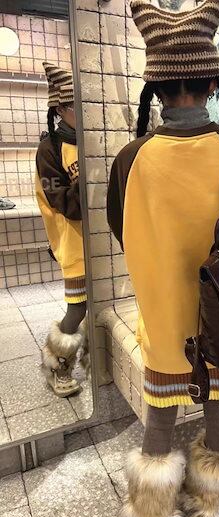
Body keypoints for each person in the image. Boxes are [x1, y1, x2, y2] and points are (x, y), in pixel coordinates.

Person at [107, 0, 219, 517]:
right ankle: (210, 511)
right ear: (213, 85)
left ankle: (150, 515)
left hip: (163, 314)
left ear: (156, 90)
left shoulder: (131, 159)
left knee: (160, 409)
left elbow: (121, 230)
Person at [35, 62, 87, 398]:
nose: (81, 113)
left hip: (104, 240)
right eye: (74, 107)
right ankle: (58, 366)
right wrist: (91, 177)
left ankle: (96, 363)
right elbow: (64, 204)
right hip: (73, 242)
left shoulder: (93, 139)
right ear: (59, 110)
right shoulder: (50, 149)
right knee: (78, 307)